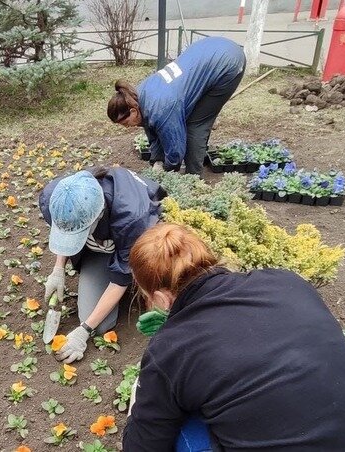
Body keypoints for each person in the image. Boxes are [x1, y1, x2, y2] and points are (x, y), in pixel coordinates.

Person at [123, 223, 345, 452]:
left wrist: (147, 389)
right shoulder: (285, 281)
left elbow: (142, 444)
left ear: (163, 299)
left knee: (183, 430)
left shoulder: (170, 348)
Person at [38, 167, 165, 364]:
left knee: (99, 325)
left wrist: (83, 331)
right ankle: (104, 262)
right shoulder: (56, 197)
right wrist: (58, 270)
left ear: (98, 215)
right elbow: (65, 228)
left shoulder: (132, 219)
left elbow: (120, 280)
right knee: (93, 316)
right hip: (103, 243)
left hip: (137, 243)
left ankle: (138, 284)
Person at [108, 36, 246, 175]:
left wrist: (168, 171)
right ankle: (197, 158)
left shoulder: (161, 108)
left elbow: (175, 150)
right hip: (209, 49)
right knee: (187, 118)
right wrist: (157, 160)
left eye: (125, 122)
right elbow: (151, 127)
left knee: (196, 125)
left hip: (227, 63)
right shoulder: (136, 95)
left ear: (133, 111)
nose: (126, 126)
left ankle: (193, 177)